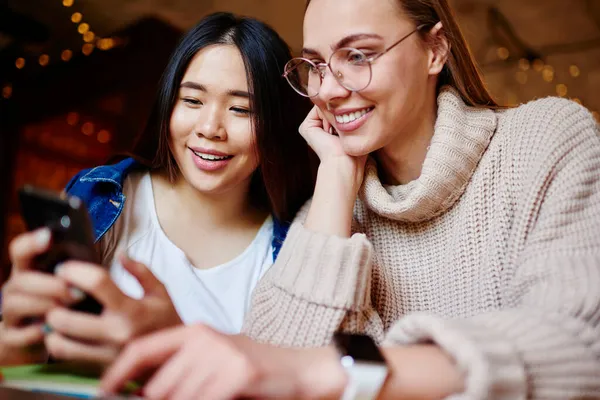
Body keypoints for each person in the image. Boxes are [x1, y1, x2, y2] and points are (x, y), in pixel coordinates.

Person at [102, 0, 600, 399]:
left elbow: (581, 350)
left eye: (358, 56)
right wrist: (338, 177)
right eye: (315, 65)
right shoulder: (326, 208)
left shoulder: (545, 139)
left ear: (435, 50)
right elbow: (274, 358)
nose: (329, 90)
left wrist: (338, 373)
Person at [0, 12, 314, 367]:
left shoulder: (292, 249)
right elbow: (26, 353)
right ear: (169, 106)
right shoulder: (102, 197)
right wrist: (16, 343)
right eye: (192, 101)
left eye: (241, 109)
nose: (210, 128)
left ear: (275, 124)